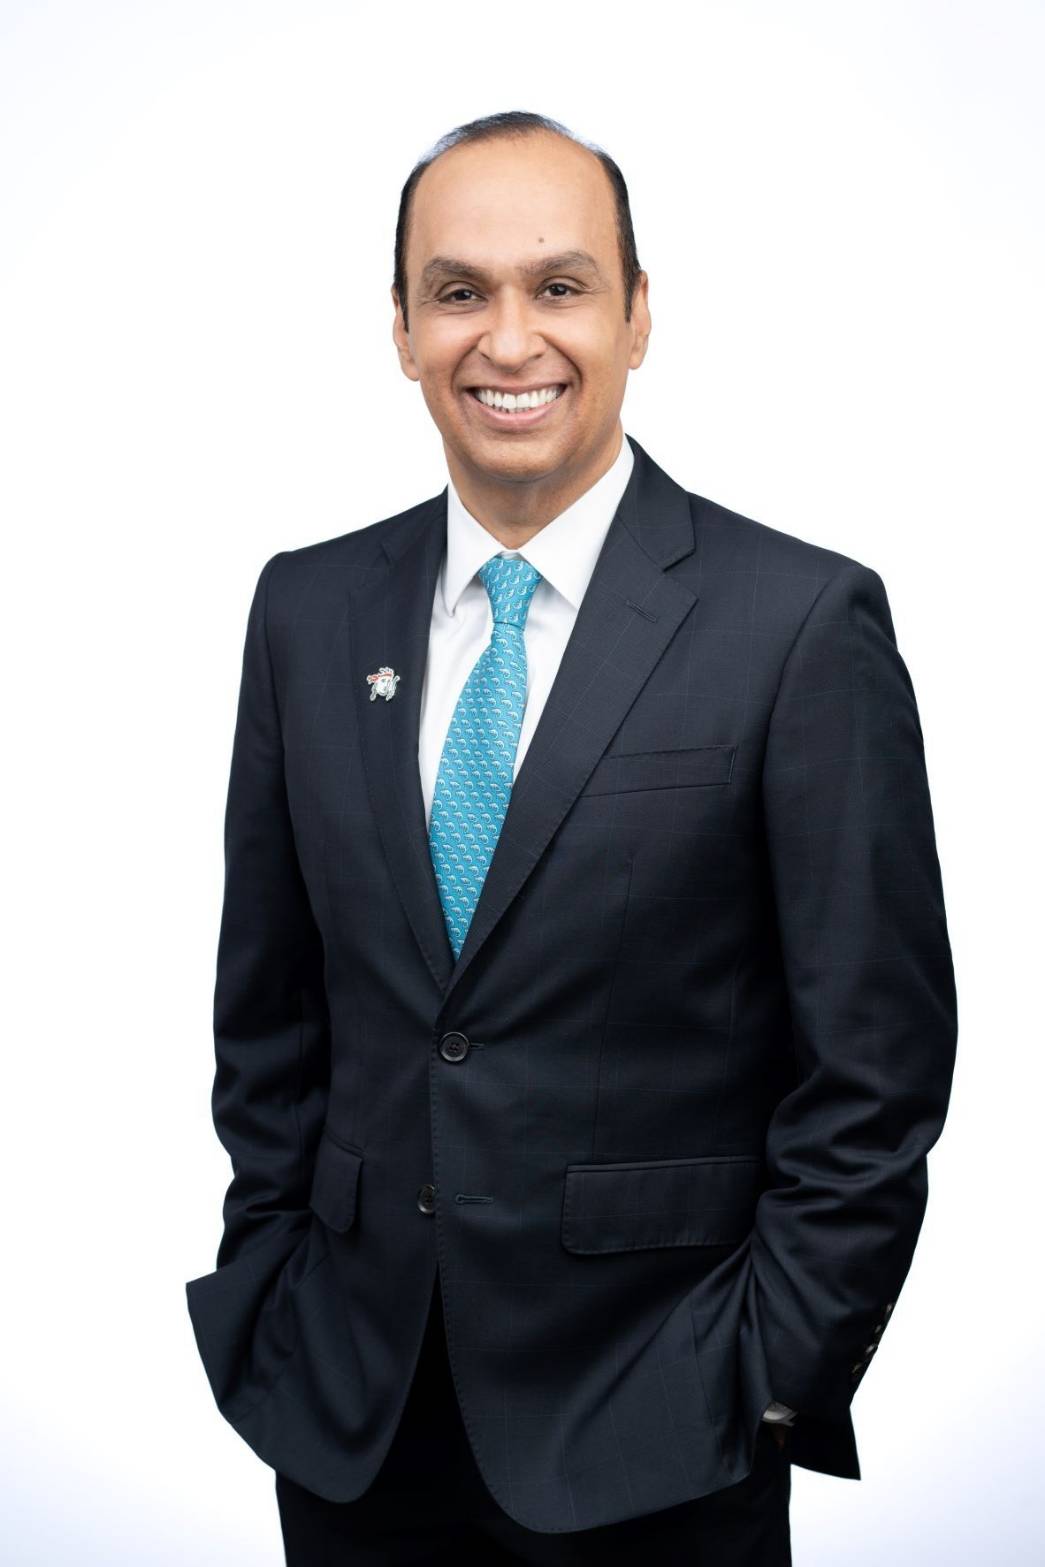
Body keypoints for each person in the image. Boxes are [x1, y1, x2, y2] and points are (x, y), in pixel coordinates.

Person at [185, 110, 958, 1565]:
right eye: (458, 291)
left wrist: (771, 1379)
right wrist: (274, 1288)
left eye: (559, 285)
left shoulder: (797, 623)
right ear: (401, 328)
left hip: (662, 1431)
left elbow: (875, 1070)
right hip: (354, 1419)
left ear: (638, 314)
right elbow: (269, 1015)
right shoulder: (305, 611)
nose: (507, 339)